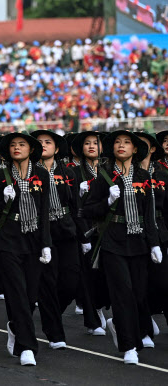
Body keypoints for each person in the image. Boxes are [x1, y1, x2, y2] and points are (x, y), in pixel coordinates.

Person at [83, 130, 160, 365]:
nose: (122, 145)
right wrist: (106, 202)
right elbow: (87, 210)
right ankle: (129, 346)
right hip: (112, 240)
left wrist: (154, 243)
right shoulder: (103, 176)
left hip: (138, 240)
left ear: (135, 150)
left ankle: (118, 324)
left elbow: (149, 215)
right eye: (117, 142)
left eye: (127, 142)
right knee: (122, 294)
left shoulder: (144, 176)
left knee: (137, 293)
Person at [0, 132, 51, 366]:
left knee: (31, 296)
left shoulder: (42, 175)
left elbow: (44, 212)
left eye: (21, 144)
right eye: (12, 145)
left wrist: (46, 244)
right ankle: (27, 347)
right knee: (16, 292)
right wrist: (3, 202)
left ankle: (15, 326)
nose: (16, 148)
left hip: (33, 240)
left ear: (31, 150)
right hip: (8, 240)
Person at [31, 130, 83, 350]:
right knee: (48, 282)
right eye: (39, 142)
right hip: (41, 231)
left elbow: (76, 205)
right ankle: (54, 333)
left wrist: (81, 233)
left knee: (71, 281)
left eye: (48, 142)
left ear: (57, 148)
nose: (43, 145)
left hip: (66, 228)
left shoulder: (68, 172)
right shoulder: (29, 172)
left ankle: (51, 311)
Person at [70, 131, 109, 336]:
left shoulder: (109, 170)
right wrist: (78, 192)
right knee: (87, 275)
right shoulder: (75, 173)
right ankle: (92, 319)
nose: (92, 146)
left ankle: (100, 305)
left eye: (96, 143)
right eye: (87, 143)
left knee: (106, 274)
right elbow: (70, 205)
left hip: (108, 229)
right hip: (85, 229)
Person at [135, 132, 168, 334]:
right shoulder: (125, 173)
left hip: (159, 231)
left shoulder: (161, 174)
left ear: (153, 148)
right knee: (139, 284)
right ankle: (144, 324)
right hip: (133, 233)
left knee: (163, 282)